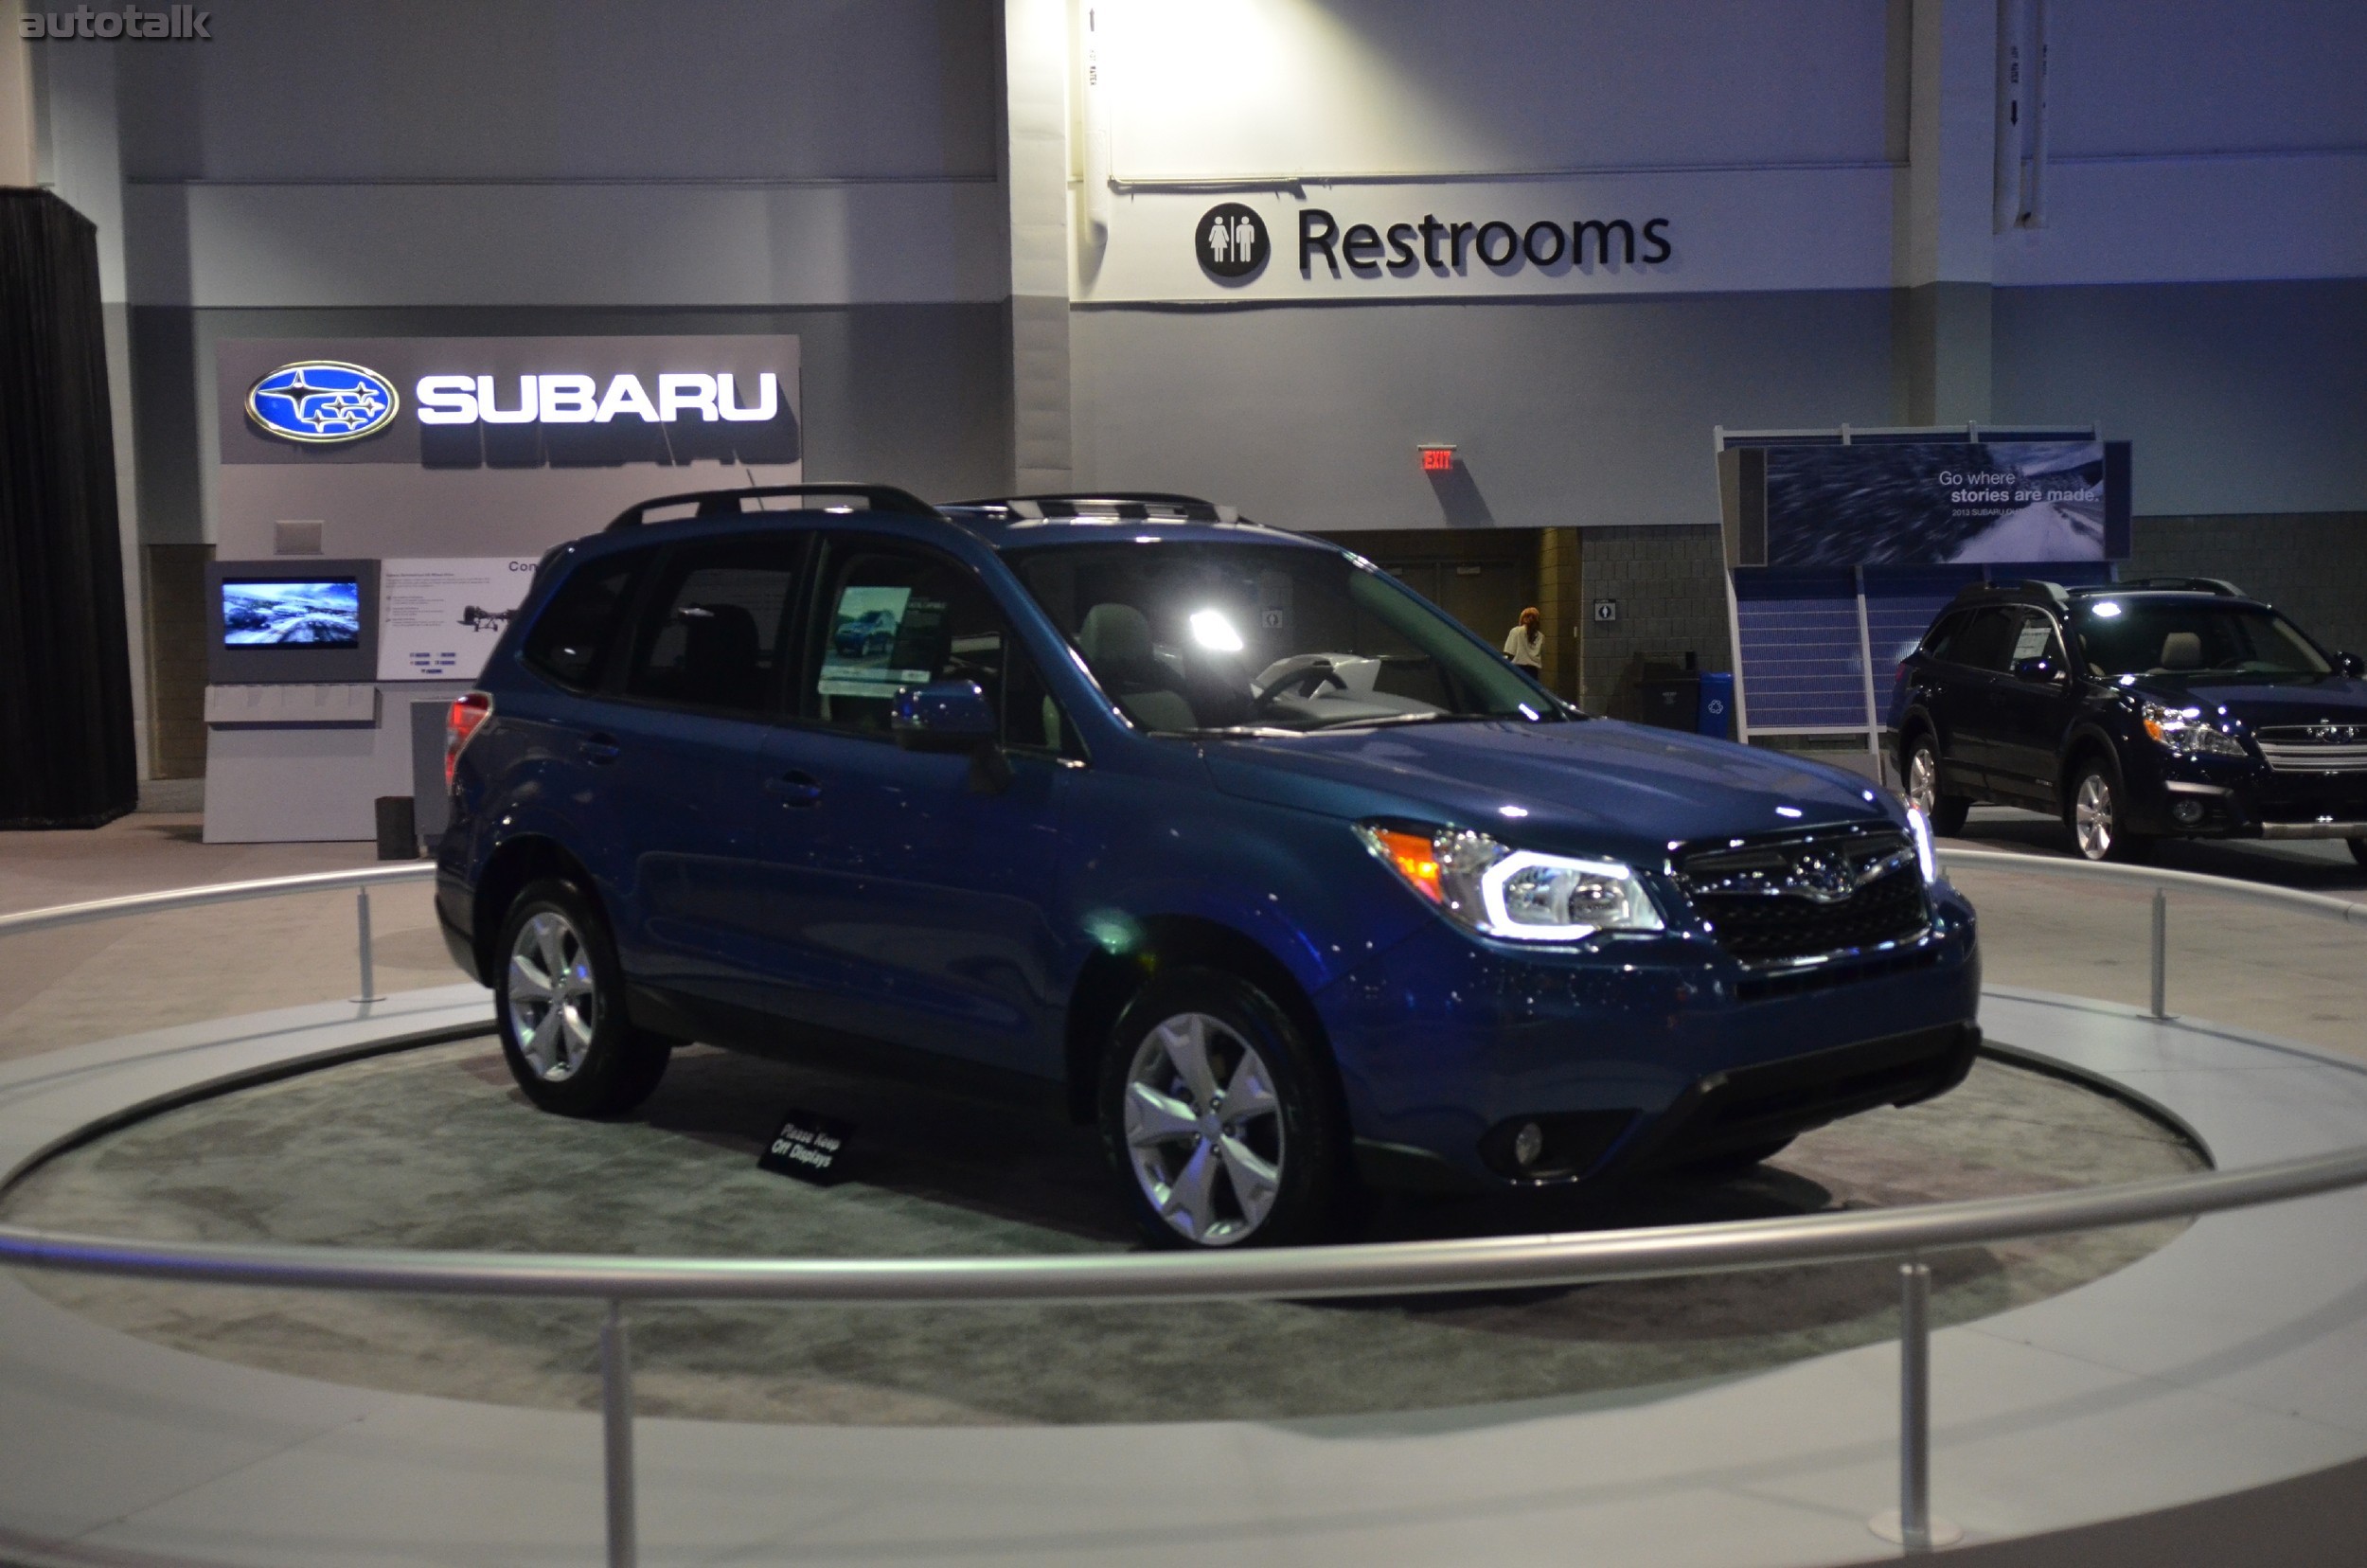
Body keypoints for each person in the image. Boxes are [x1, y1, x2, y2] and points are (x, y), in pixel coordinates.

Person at [1504, 607, 1545, 673]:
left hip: (1518, 669)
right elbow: (1542, 653)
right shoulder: (1541, 636)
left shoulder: (1516, 631)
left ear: (1522, 618)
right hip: (1533, 671)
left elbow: (1510, 652)